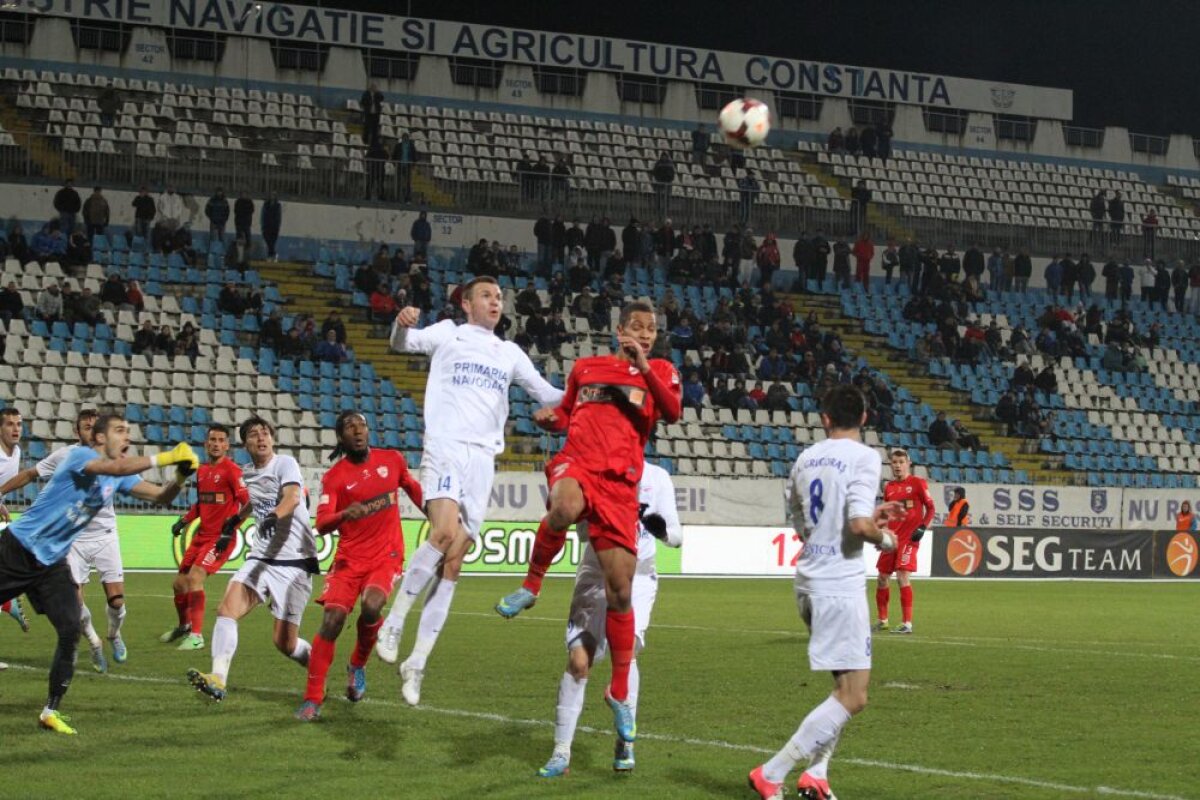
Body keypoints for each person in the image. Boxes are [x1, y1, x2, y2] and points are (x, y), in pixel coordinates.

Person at [495, 300, 682, 742]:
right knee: (561, 508)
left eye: (651, 329)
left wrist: (645, 367)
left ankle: (618, 691)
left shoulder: (661, 371)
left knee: (621, 594)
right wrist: (551, 420)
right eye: (637, 326)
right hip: (578, 462)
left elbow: (672, 411)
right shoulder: (586, 368)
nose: (645, 333)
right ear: (619, 330)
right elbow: (568, 414)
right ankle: (531, 585)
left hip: (620, 482)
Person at [374, 276, 563, 705]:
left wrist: (592, 386)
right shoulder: (448, 332)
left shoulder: (509, 352)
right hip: (445, 446)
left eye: (499, 297)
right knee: (441, 533)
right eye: (487, 295)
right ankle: (395, 621)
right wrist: (401, 324)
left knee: (454, 558)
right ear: (466, 303)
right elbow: (404, 344)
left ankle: (417, 662)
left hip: (483, 459)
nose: (495, 302)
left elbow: (548, 394)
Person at [748, 385, 898, 800]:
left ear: (825, 419)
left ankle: (817, 775)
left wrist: (856, 520)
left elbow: (798, 517)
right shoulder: (866, 457)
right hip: (839, 586)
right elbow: (858, 526)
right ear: (865, 419)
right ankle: (772, 772)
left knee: (842, 689)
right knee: (854, 696)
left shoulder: (806, 457)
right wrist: (885, 538)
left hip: (809, 581)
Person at [0, 415, 196, 733]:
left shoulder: (118, 476)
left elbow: (161, 496)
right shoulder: (82, 457)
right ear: (100, 438)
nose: (127, 436)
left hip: (51, 564)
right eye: (120, 431)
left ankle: (50, 711)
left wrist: (181, 476)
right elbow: (114, 468)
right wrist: (166, 456)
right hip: (17, 549)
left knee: (70, 629)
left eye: (129, 432)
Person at [538, 463, 682, 777]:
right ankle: (561, 752)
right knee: (579, 661)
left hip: (638, 576)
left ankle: (624, 743)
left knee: (626, 652)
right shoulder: (596, 471)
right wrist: (615, 517)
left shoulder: (658, 478)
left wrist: (661, 530)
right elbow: (583, 532)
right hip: (595, 572)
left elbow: (676, 536)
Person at [296, 412, 423, 720]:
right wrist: (343, 515)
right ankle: (313, 698)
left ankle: (357, 665)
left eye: (361, 425)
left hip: (386, 554)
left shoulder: (391, 460)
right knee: (332, 621)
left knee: (372, 605)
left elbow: (413, 489)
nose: (357, 430)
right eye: (350, 427)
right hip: (349, 559)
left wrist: (438, 516)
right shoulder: (335, 477)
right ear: (341, 437)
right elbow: (323, 523)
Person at [186, 416, 317, 703]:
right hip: (262, 558)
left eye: (265, 433)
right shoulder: (248, 472)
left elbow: (293, 496)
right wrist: (234, 521)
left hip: (295, 561)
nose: (261, 438)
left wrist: (273, 515)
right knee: (226, 610)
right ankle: (218, 678)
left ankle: (319, 667)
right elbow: (255, 500)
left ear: (272, 438)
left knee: (285, 643)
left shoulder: (285, 463)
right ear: (245, 444)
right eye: (254, 435)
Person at [160, 425, 249, 651]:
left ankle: (198, 636)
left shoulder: (232, 471)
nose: (216, 444)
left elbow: (247, 504)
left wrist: (229, 530)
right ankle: (185, 626)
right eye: (213, 440)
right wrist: (184, 520)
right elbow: (201, 503)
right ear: (206, 444)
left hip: (220, 538)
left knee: (195, 578)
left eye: (221, 440)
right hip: (201, 537)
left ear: (227, 445)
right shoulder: (201, 471)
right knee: (179, 584)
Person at [874, 448, 934, 635]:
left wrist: (923, 527)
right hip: (891, 539)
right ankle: (883, 621)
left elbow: (931, 508)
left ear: (908, 463)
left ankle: (907, 623)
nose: (898, 466)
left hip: (909, 538)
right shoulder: (889, 487)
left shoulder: (918, 483)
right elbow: (885, 512)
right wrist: (882, 531)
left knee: (902, 576)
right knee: (882, 578)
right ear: (890, 465)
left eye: (901, 462)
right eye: (894, 462)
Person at [0, 409, 30, 638]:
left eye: (18, 424)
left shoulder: (16, 452)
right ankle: (7, 603)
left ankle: (6, 603)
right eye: (10, 424)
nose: (16, 429)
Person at [260, 192, 282, 261]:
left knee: (272, 242)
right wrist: (263, 225)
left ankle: (271, 255)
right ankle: (273, 254)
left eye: (274, 195)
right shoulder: (266, 205)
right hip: (266, 226)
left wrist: (278, 225)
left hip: (274, 227)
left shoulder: (278, 205)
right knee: (269, 241)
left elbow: (279, 216)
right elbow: (263, 215)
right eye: (271, 195)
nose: (272, 196)